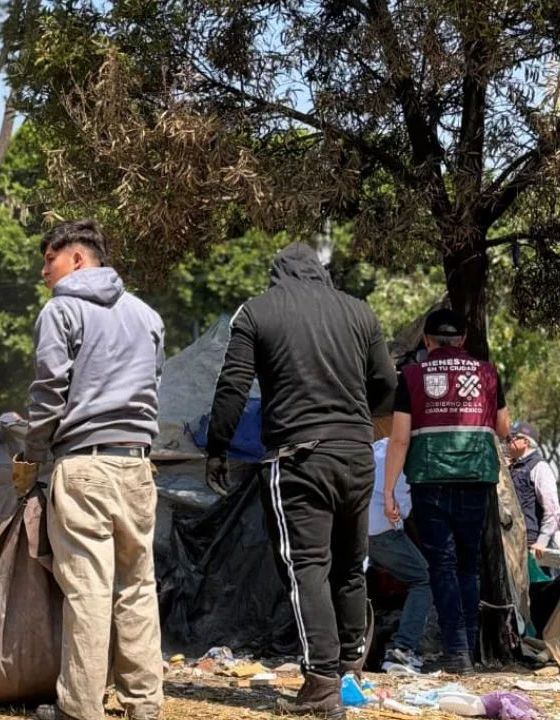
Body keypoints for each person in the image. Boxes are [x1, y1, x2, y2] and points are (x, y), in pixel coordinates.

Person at [205, 243, 396, 718]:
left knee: (306, 566)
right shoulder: (359, 311)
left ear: (277, 275)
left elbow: (232, 385)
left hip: (298, 459)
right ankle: (351, 668)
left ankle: (321, 684)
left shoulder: (257, 312)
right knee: (351, 565)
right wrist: (357, 420)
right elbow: (388, 382)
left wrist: (218, 446)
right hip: (356, 454)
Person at [13, 220, 166, 720]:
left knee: (89, 590)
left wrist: (33, 454)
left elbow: (48, 391)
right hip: (139, 467)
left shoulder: (62, 310)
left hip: (84, 466)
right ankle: (146, 705)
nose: (43, 272)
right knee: (138, 588)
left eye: (49, 260)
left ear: (77, 259)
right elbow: (153, 386)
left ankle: (80, 708)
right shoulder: (147, 316)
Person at [384, 309, 510, 676]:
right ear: (464, 339)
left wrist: (389, 489)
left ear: (427, 340)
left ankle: (457, 651)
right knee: (469, 565)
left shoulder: (411, 376)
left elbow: (400, 439)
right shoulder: (487, 373)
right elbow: (503, 427)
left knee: (443, 565)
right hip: (476, 477)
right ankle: (466, 648)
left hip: (430, 479)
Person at [369, 428, 431, 673]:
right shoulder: (412, 457)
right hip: (382, 528)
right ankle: (402, 651)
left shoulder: (379, 446)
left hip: (356, 524)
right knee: (423, 580)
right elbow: (401, 511)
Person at [506, 422, 560, 567]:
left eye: (513, 438)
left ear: (525, 442)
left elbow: (552, 510)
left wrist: (541, 542)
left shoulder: (539, 467)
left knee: (536, 587)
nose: (509, 442)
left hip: (532, 545)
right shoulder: (513, 467)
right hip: (515, 540)